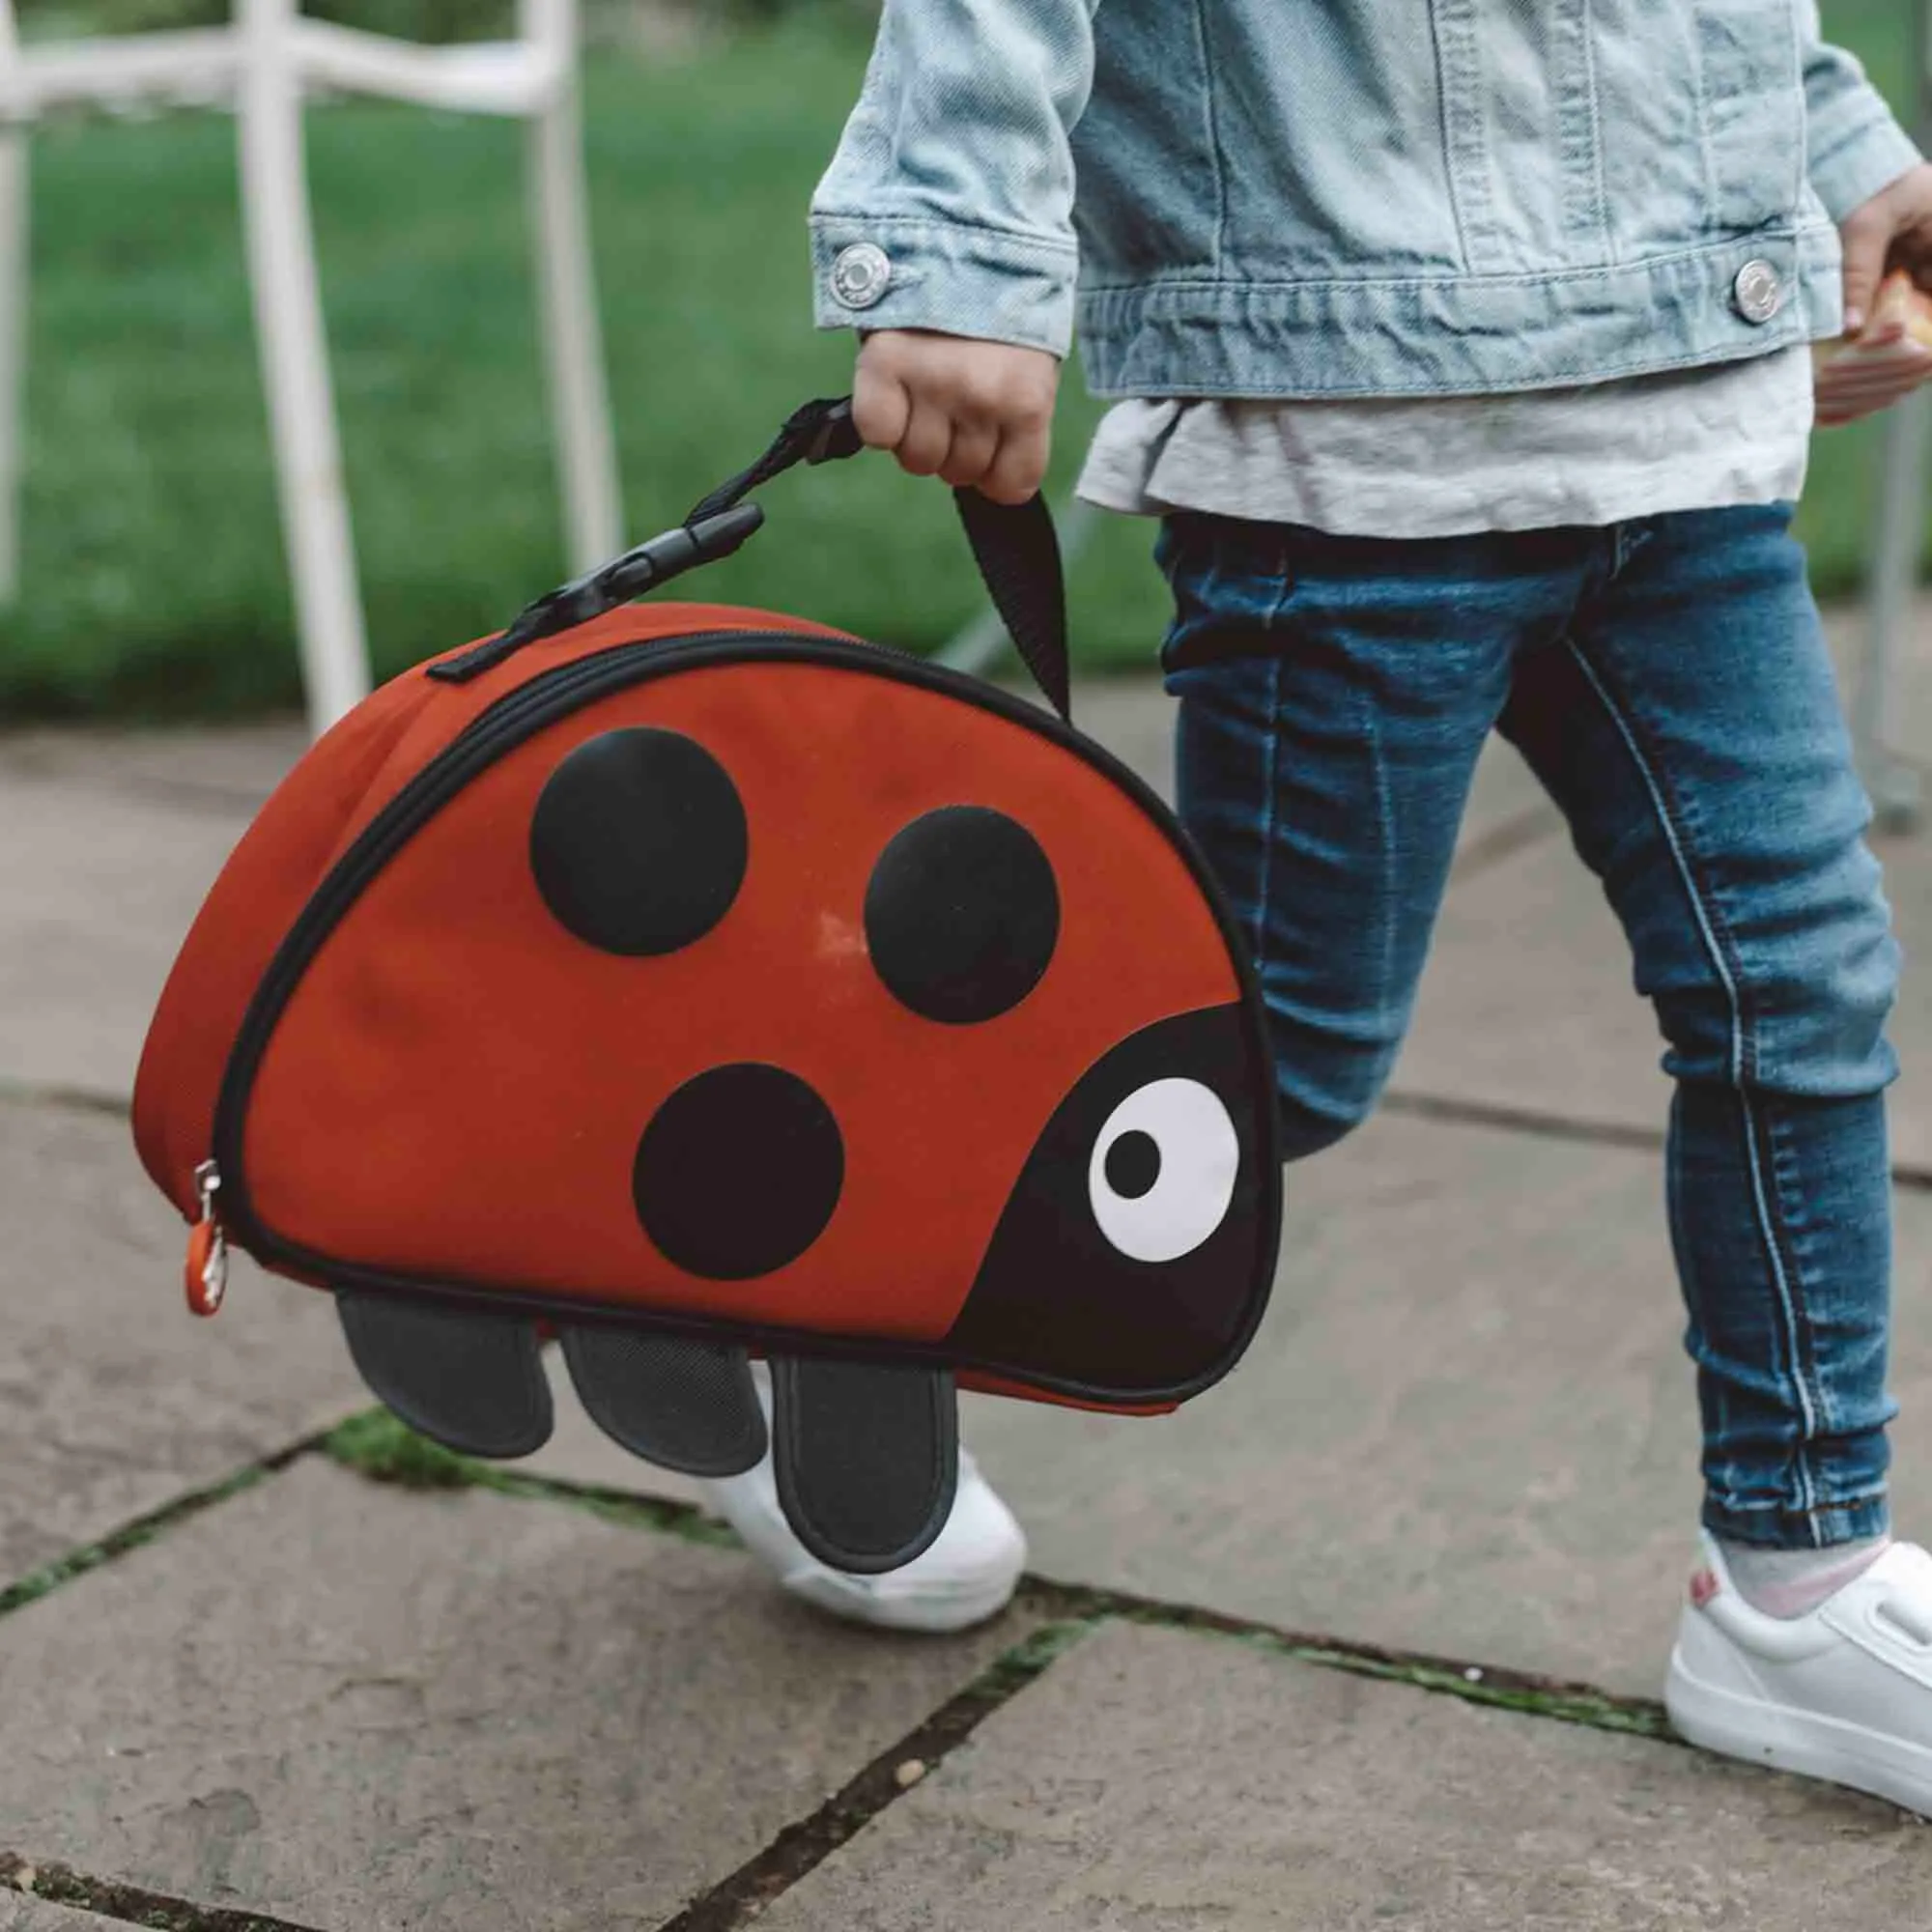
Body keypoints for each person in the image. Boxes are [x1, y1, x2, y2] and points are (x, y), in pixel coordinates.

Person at [700, 1, 1932, 1813]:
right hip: (1352, 471)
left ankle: (1797, 1571)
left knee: (1802, 990)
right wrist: (955, 249)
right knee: (1257, 1078)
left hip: (1687, 456)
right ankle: (770, 1295)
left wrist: (1842, 158)